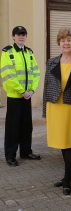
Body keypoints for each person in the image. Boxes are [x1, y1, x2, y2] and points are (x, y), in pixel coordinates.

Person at [43, 28, 71, 195]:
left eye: (69, 40)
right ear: (59, 43)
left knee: (70, 141)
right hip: (55, 107)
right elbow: (47, 87)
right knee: (61, 141)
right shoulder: (51, 62)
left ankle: (67, 177)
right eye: (63, 40)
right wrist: (45, 111)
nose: (66, 43)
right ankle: (70, 174)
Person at [0, 26, 41, 167]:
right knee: (13, 127)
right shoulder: (7, 52)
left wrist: (32, 90)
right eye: (18, 34)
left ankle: (26, 152)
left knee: (26, 126)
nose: (21, 36)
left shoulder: (29, 53)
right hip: (15, 96)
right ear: (13, 37)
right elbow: (8, 75)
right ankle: (10, 156)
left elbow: (36, 73)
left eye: (23, 34)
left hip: (27, 96)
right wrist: (21, 91)